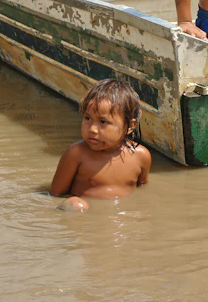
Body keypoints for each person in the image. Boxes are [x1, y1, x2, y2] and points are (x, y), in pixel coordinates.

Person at [50, 79, 151, 211]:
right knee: (75, 205)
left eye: (103, 122)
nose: (92, 129)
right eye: (87, 118)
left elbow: (143, 190)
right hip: (85, 219)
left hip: (121, 220)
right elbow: (55, 194)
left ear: (130, 126)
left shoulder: (141, 156)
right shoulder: (76, 154)